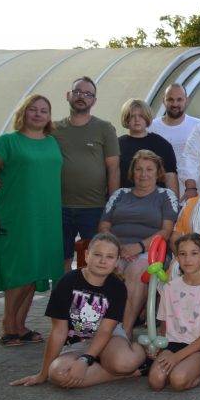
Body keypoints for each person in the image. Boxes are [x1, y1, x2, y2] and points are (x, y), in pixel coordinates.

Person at [10, 232, 146, 387]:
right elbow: (58, 331)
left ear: (117, 261)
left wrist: (84, 360)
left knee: (124, 363)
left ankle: (135, 355)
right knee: (57, 374)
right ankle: (127, 373)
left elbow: (106, 331)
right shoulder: (67, 282)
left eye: (110, 257)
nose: (103, 261)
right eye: (97, 255)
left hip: (109, 339)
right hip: (76, 344)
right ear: (87, 255)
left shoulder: (118, 287)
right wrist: (43, 374)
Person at [0, 94, 64, 346]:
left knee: (35, 271)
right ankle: (7, 324)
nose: (38, 114)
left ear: (49, 117)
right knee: (19, 271)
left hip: (46, 217)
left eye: (44, 110)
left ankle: (20, 325)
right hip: (16, 215)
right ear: (23, 113)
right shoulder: (5, 142)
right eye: (33, 109)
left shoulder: (52, 143)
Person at [98, 150, 179, 337]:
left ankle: (125, 331)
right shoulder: (119, 194)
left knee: (136, 270)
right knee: (108, 266)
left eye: (149, 169)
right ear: (132, 172)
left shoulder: (166, 195)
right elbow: (103, 226)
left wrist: (139, 247)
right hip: (115, 249)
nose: (143, 174)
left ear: (158, 173)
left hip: (151, 251)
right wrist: (117, 249)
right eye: (139, 169)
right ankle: (101, 327)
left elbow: (166, 231)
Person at [54, 76, 120, 272]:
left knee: (94, 260)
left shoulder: (104, 128)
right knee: (61, 260)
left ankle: (88, 293)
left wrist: (112, 206)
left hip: (94, 208)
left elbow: (114, 168)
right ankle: (63, 292)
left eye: (87, 94)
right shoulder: (53, 129)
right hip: (59, 207)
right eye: (77, 92)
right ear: (68, 95)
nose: (81, 97)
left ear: (94, 100)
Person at [149, 234, 200, 391]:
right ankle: (183, 369)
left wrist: (177, 357)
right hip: (173, 344)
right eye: (182, 254)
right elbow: (164, 325)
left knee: (178, 380)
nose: (187, 259)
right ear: (177, 258)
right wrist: (160, 348)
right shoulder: (169, 287)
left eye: (194, 253)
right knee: (155, 382)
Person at [149, 83, 200, 198]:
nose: (175, 104)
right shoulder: (152, 128)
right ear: (163, 101)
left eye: (179, 99)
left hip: (194, 194)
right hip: (160, 196)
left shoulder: (199, 127)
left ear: (187, 100)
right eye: (170, 99)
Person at [117, 98, 178, 195]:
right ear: (126, 119)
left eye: (141, 116)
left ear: (147, 117)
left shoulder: (162, 144)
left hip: (157, 201)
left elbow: (170, 177)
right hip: (125, 200)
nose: (137, 120)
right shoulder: (117, 145)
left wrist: (173, 201)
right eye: (132, 116)